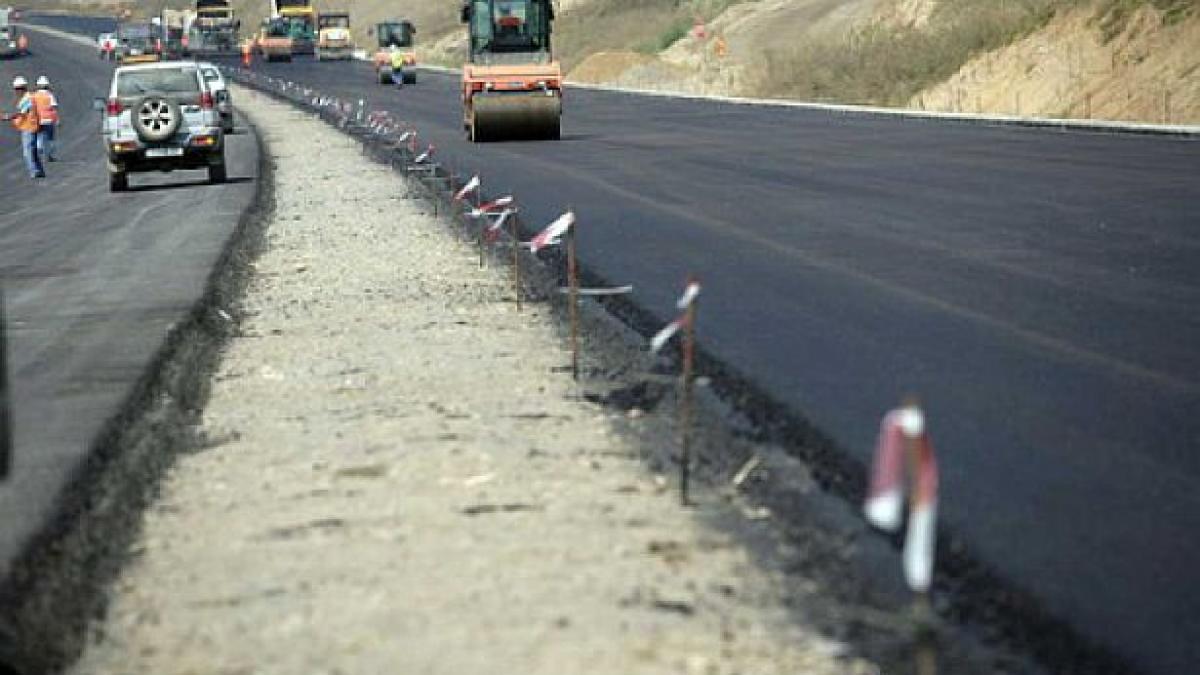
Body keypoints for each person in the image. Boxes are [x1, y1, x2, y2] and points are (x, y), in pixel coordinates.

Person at [2, 76, 45, 179]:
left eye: (18, 89)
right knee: (33, 151)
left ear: (22, 88)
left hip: (29, 128)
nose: (17, 92)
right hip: (33, 126)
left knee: (28, 152)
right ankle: (39, 170)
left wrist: (7, 117)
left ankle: (34, 171)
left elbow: (21, 113)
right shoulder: (30, 97)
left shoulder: (27, 98)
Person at [32, 76, 59, 162]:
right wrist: (57, 119)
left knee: (39, 137)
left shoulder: (34, 96)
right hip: (49, 120)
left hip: (38, 120)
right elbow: (53, 108)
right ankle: (49, 155)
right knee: (50, 138)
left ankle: (39, 153)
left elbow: (32, 108)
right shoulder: (49, 95)